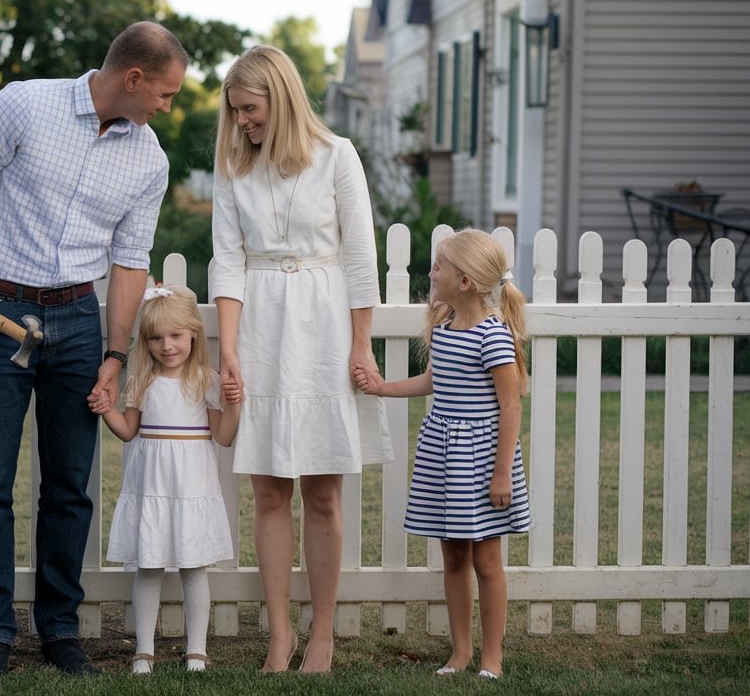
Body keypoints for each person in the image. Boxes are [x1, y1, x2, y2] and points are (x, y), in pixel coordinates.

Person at [0, 21, 189, 680]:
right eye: (164, 93)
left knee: (70, 486)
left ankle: (58, 628)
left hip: (78, 319)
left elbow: (131, 262)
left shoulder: (149, 158)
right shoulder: (26, 104)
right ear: (133, 78)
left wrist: (113, 354)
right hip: (0, 314)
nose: (168, 106)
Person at [208, 45, 391, 674]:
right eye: (235, 113)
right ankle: (280, 636)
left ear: (279, 99)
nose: (243, 123)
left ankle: (322, 635)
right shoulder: (234, 170)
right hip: (260, 326)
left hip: (323, 329)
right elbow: (227, 262)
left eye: (250, 110)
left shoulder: (338, 156)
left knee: (322, 491)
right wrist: (230, 351)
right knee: (267, 490)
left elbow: (362, 258)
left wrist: (360, 344)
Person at [352, 228, 532, 680]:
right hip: (443, 454)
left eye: (439, 266)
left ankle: (492, 657)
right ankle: (461, 652)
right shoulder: (444, 326)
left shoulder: (493, 336)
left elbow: (510, 406)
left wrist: (502, 474)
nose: (431, 272)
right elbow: (433, 381)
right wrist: (382, 388)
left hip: (482, 459)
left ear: (465, 280)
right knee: (453, 557)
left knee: (486, 561)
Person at [89, 285, 241, 675]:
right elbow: (127, 430)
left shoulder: (206, 380)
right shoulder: (142, 380)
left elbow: (223, 436)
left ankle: (197, 650)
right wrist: (107, 410)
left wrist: (234, 404)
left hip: (190, 487)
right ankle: (143, 649)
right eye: (156, 338)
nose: (167, 346)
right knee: (149, 565)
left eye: (175, 336)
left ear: (193, 333)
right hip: (152, 487)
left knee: (194, 568)